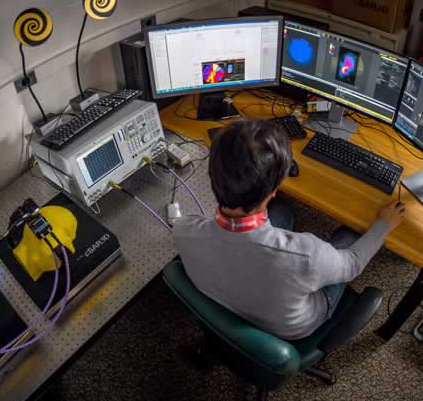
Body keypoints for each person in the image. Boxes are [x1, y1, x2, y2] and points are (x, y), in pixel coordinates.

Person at [172, 119, 406, 340]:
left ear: (213, 176)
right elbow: (352, 263)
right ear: (274, 188)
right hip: (295, 327)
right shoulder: (307, 254)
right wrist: (384, 224)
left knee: (282, 213)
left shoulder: (183, 230)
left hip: (227, 298)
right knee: (350, 234)